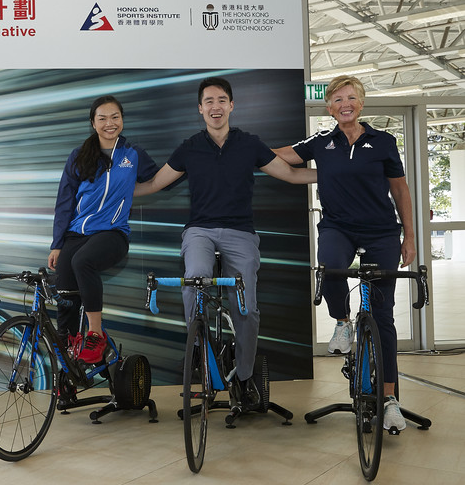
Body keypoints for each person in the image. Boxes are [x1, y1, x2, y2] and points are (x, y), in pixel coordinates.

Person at [135, 77, 316, 410]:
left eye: (221, 100)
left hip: (239, 233)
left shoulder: (249, 144)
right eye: (209, 101)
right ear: (200, 108)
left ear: (231, 106)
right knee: (195, 281)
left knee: (246, 304)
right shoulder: (190, 146)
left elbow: (291, 174)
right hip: (199, 231)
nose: (215, 107)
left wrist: (341, 173)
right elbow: (156, 183)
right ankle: (201, 358)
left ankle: (245, 378)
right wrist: (107, 194)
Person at [272, 75, 415, 431]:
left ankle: (390, 399)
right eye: (337, 99)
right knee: (332, 266)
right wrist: (239, 148)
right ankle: (342, 323)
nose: (344, 104)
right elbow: (282, 158)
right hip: (338, 227)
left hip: (382, 232)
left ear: (361, 103)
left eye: (351, 97)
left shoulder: (383, 142)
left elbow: (400, 190)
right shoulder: (321, 142)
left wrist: (409, 237)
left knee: (383, 315)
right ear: (329, 107)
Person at [48, 96, 162, 365]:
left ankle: (95, 333)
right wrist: (57, 243)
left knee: (82, 261)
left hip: (113, 233)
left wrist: (130, 193)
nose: (110, 123)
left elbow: (159, 180)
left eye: (115, 117)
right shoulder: (79, 155)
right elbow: (64, 202)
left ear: (122, 120)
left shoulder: (133, 154)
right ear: (93, 123)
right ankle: (66, 373)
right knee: (65, 299)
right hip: (77, 233)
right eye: (102, 118)